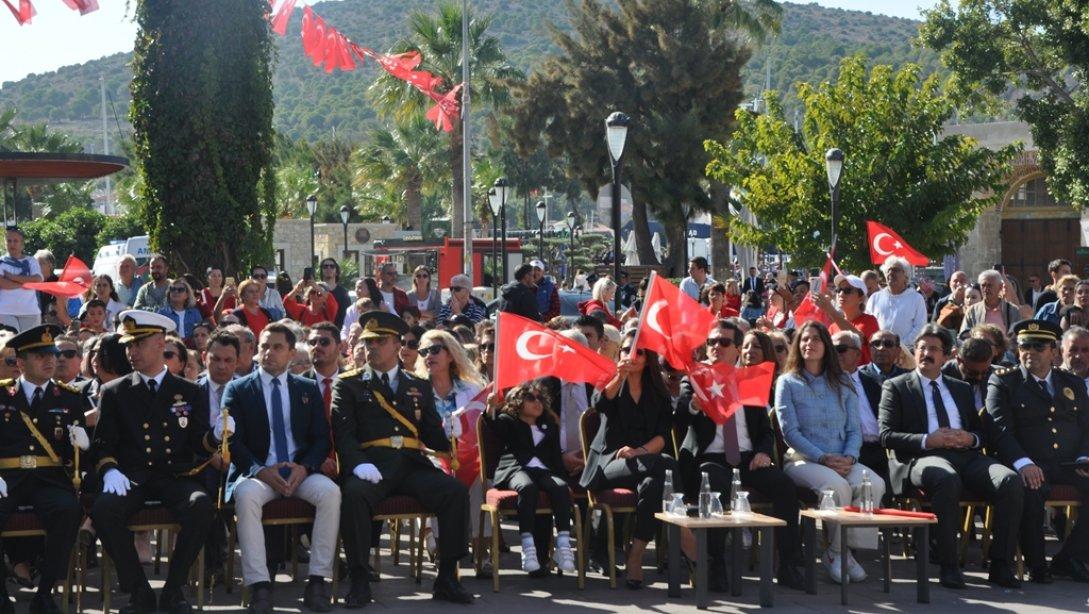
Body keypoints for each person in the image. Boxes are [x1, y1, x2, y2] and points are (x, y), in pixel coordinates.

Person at [333, 311, 473, 606]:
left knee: (454, 492)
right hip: (372, 464)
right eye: (368, 341)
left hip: (411, 464)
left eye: (379, 341)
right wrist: (357, 463)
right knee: (354, 496)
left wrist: (450, 432)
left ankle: (447, 576)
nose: (371, 347)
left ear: (397, 344)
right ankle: (359, 579)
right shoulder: (349, 384)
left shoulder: (419, 384)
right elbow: (343, 434)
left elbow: (431, 437)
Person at [90, 310, 216, 613]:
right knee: (104, 510)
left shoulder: (189, 390)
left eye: (139, 344)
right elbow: (102, 443)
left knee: (200, 505)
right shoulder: (115, 391)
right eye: (128, 346)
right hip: (133, 476)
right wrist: (109, 470)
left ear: (160, 343)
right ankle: (138, 590)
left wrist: (217, 436)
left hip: (175, 476)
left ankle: (174, 591)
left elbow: (199, 442)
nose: (131, 352)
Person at [881, 324, 1024, 589]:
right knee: (945, 478)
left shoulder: (960, 388)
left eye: (934, 349)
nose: (926, 353)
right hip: (923, 456)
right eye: (922, 348)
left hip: (966, 456)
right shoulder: (896, 386)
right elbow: (887, 435)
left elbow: (981, 431)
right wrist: (928, 439)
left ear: (946, 356)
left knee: (1009, 481)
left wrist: (971, 439)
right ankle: (949, 565)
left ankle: (1000, 565)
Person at [221, 322, 339, 612]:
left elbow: (322, 438)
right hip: (258, 474)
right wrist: (261, 471)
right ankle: (259, 586)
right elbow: (232, 442)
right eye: (264, 346)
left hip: (299, 472)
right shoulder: (238, 389)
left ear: (290, 353)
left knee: (331, 493)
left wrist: (305, 468)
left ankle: (318, 581)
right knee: (246, 496)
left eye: (277, 347)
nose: (269, 352)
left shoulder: (307, 388)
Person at [676, 325, 804, 590]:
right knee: (715, 486)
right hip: (710, 458)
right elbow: (679, 417)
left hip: (747, 458)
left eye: (724, 342)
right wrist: (693, 405)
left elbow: (765, 431)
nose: (716, 346)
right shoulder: (695, 377)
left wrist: (763, 452)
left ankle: (789, 565)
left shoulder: (749, 379)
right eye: (711, 341)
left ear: (736, 349)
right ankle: (716, 565)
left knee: (785, 487)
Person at [774, 321, 884, 584]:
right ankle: (841, 553)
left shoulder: (844, 382)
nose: (809, 344)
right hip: (804, 460)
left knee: (874, 485)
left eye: (816, 339)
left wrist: (850, 457)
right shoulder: (787, 382)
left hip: (844, 458)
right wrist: (823, 458)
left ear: (826, 345)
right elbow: (790, 432)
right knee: (837, 488)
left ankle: (837, 551)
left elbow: (854, 429)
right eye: (804, 340)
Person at [986, 319, 1089, 583]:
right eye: (1024, 346)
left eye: (1038, 346)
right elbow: (1000, 431)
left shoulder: (1072, 383)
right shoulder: (1004, 383)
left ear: (1053, 352)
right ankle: (1037, 565)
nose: (1029, 351)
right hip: (1030, 462)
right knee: (1031, 491)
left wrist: (1084, 456)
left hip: (1069, 463)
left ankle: (1068, 558)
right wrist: (1022, 462)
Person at [579, 329, 678, 589]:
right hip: (608, 464)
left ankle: (635, 556)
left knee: (654, 483)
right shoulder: (610, 381)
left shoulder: (658, 392)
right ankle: (686, 537)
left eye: (639, 351)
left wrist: (640, 452)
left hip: (643, 461)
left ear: (648, 359)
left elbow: (662, 437)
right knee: (667, 465)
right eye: (626, 350)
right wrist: (619, 376)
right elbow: (599, 404)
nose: (631, 355)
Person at [0, 324, 87, 614]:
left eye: (52, 354)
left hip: (48, 479)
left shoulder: (70, 398)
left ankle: (46, 592)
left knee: (69, 510)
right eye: (40, 356)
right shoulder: (2, 396)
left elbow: (75, 459)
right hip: (7, 478)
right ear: (21, 363)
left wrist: (81, 447)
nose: (51, 360)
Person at [485, 382, 575, 573]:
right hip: (516, 471)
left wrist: (563, 479)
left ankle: (563, 546)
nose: (537, 402)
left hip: (543, 472)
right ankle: (528, 547)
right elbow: (492, 425)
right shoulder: (508, 421)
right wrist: (491, 406)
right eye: (531, 398)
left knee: (559, 487)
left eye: (540, 398)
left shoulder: (548, 426)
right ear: (518, 402)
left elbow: (555, 459)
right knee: (527, 487)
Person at [832, 330, 888, 493]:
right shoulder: (825, 384)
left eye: (841, 349)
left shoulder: (875, 381)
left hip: (881, 447)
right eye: (831, 349)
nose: (835, 354)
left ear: (857, 354)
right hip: (849, 450)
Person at [301, 322, 344, 480]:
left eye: (324, 342)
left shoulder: (353, 383)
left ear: (339, 347)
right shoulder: (296, 386)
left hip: (350, 463)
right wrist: (317, 459)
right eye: (312, 342)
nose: (317, 346)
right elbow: (294, 432)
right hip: (309, 466)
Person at [865, 256, 927, 352]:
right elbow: (868, 324)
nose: (891, 273)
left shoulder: (916, 299)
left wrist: (899, 345)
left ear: (906, 276)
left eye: (896, 270)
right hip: (879, 351)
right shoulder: (875, 298)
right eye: (888, 270)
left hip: (905, 353)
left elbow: (920, 327)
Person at [816, 274, 880, 364]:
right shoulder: (833, 327)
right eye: (838, 290)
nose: (841, 294)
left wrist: (830, 310)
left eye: (847, 290)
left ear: (861, 298)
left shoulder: (869, 321)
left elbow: (857, 340)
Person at [0, 226, 44, 332]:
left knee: (28, 346)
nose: (12, 244)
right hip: (6, 311)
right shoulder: (1, 261)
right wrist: (26, 283)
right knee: (11, 345)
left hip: (30, 312)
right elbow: (3, 284)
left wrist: (11, 277)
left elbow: (37, 279)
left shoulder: (31, 261)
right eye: (9, 241)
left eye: (16, 241)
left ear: (22, 244)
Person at [941, 336, 995, 410]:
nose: (979, 377)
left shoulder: (996, 376)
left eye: (984, 372)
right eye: (973, 373)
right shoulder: (941, 379)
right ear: (959, 360)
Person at [960, 269, 1021, 334]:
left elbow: (1016, 336)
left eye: (989, 285)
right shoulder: (973, 311)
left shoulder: (1012, 310)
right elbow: (963, 335)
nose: (986, 289)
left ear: (1000, 287)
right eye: (983, 285)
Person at [319, 258, 351, 328]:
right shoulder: (315, 290)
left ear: (336, 271)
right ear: (321, 270)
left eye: (332, 266)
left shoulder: (343, 292)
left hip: (337, 330)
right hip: (319, 328)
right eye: (325, 266)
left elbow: (346, 314)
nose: (328, 268)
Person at [1062, 326, 1089, 393]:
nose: (1078, 356)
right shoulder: (1052, 382)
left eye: (1085, 350)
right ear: (1062, 351)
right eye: (1073, 350)